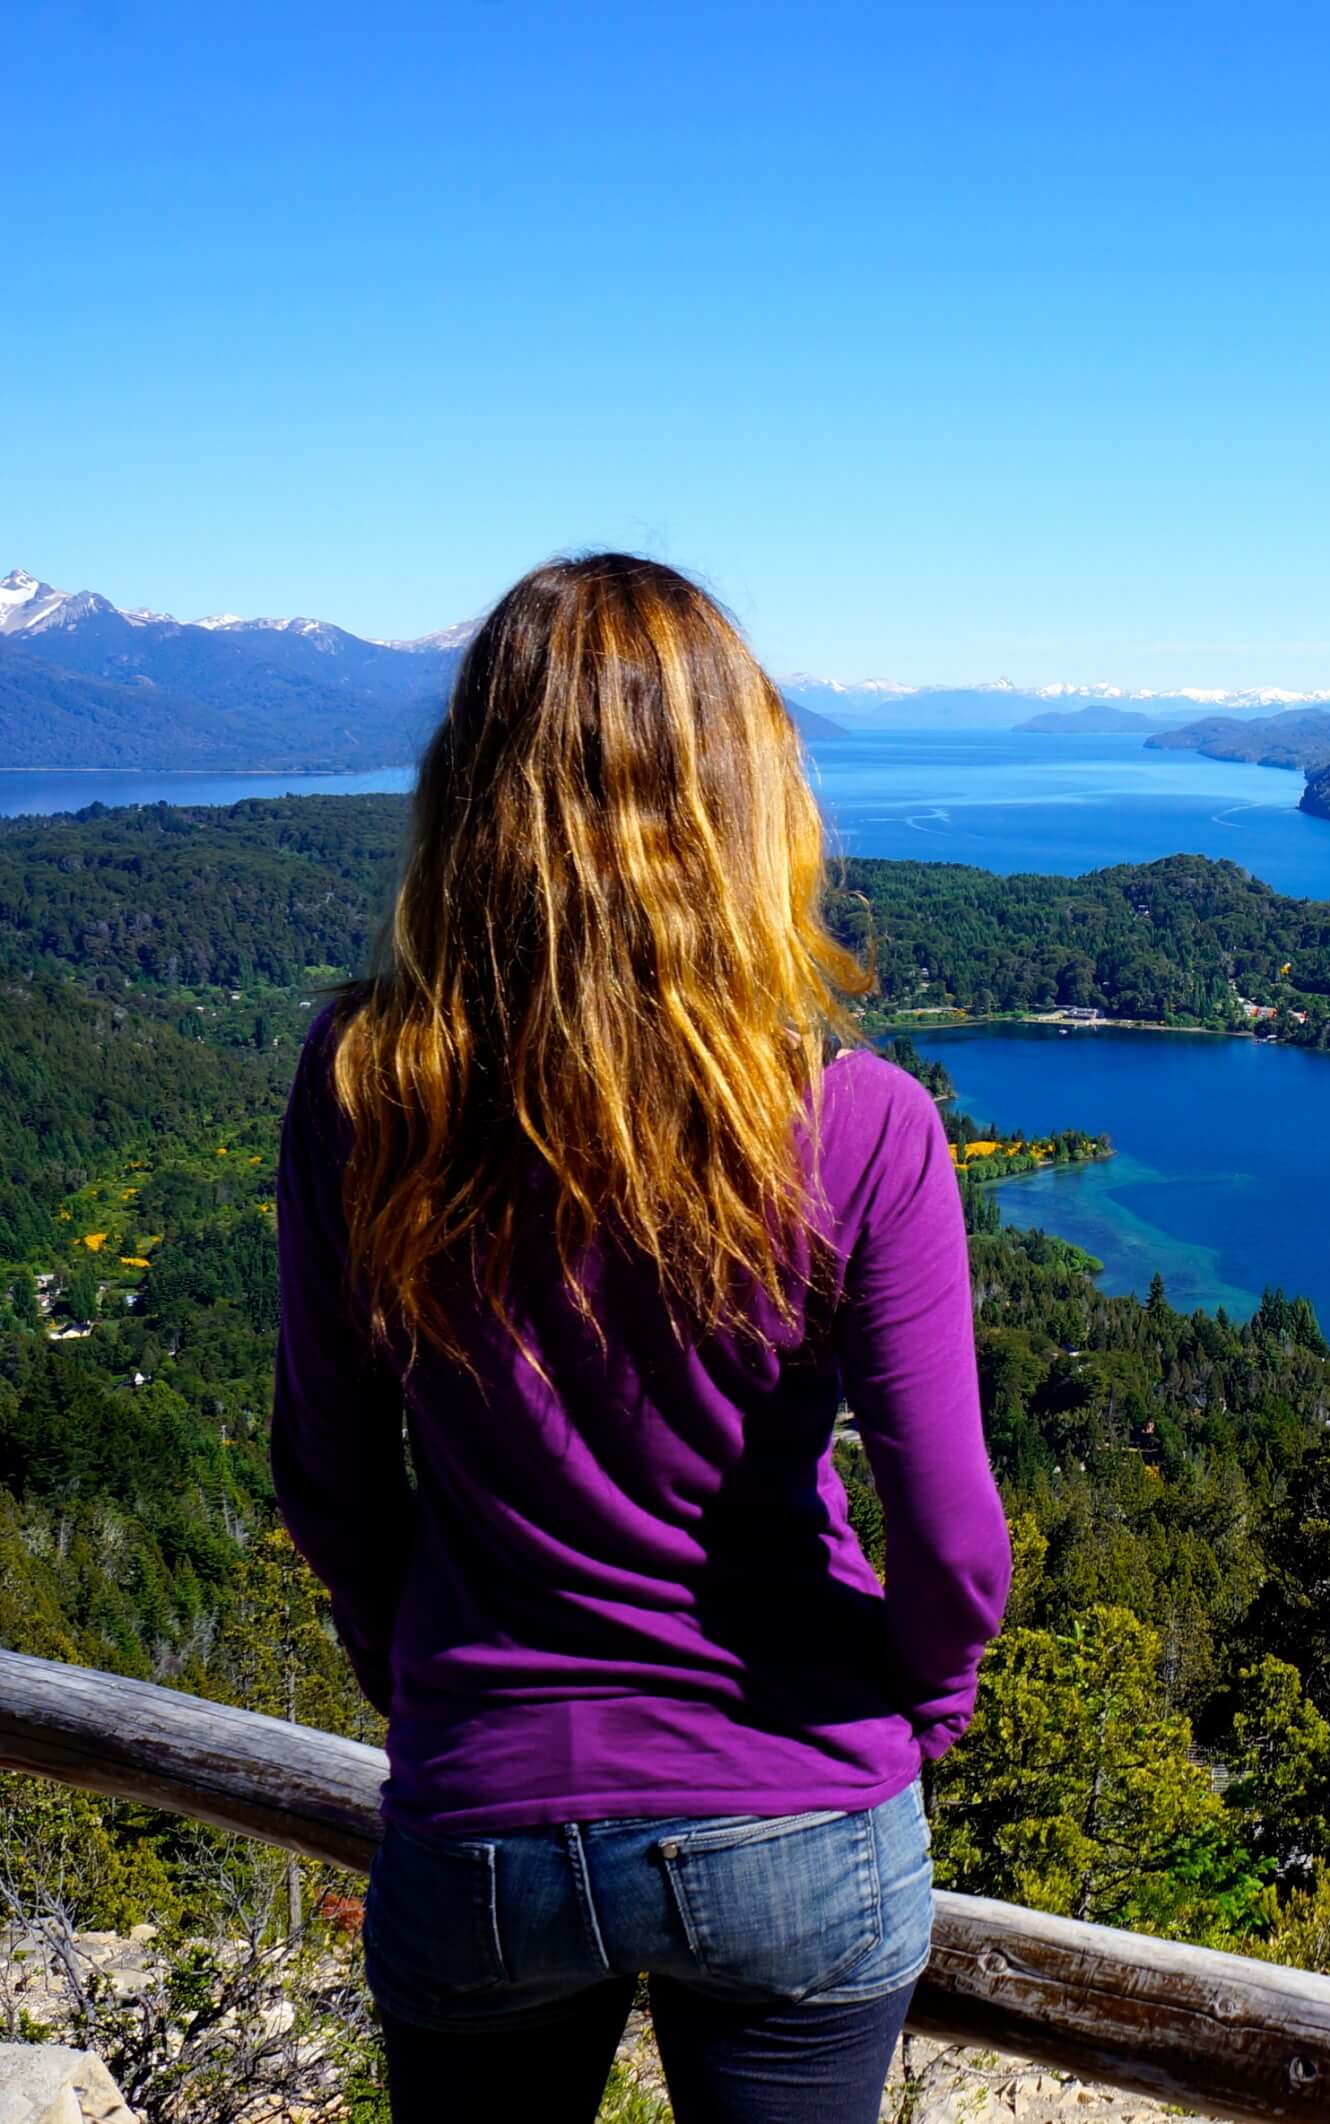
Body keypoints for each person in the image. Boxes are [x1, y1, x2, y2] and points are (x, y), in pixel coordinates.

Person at [272, 554, 1011, 2124]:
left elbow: (328, 1473)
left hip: (480, 1815)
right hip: (797, 1806)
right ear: (752, 804)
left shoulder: (360, 1086)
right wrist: (920, 1708)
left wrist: (420, 1678)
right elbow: (950, 1544)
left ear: (472, 797)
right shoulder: (861, 1125)